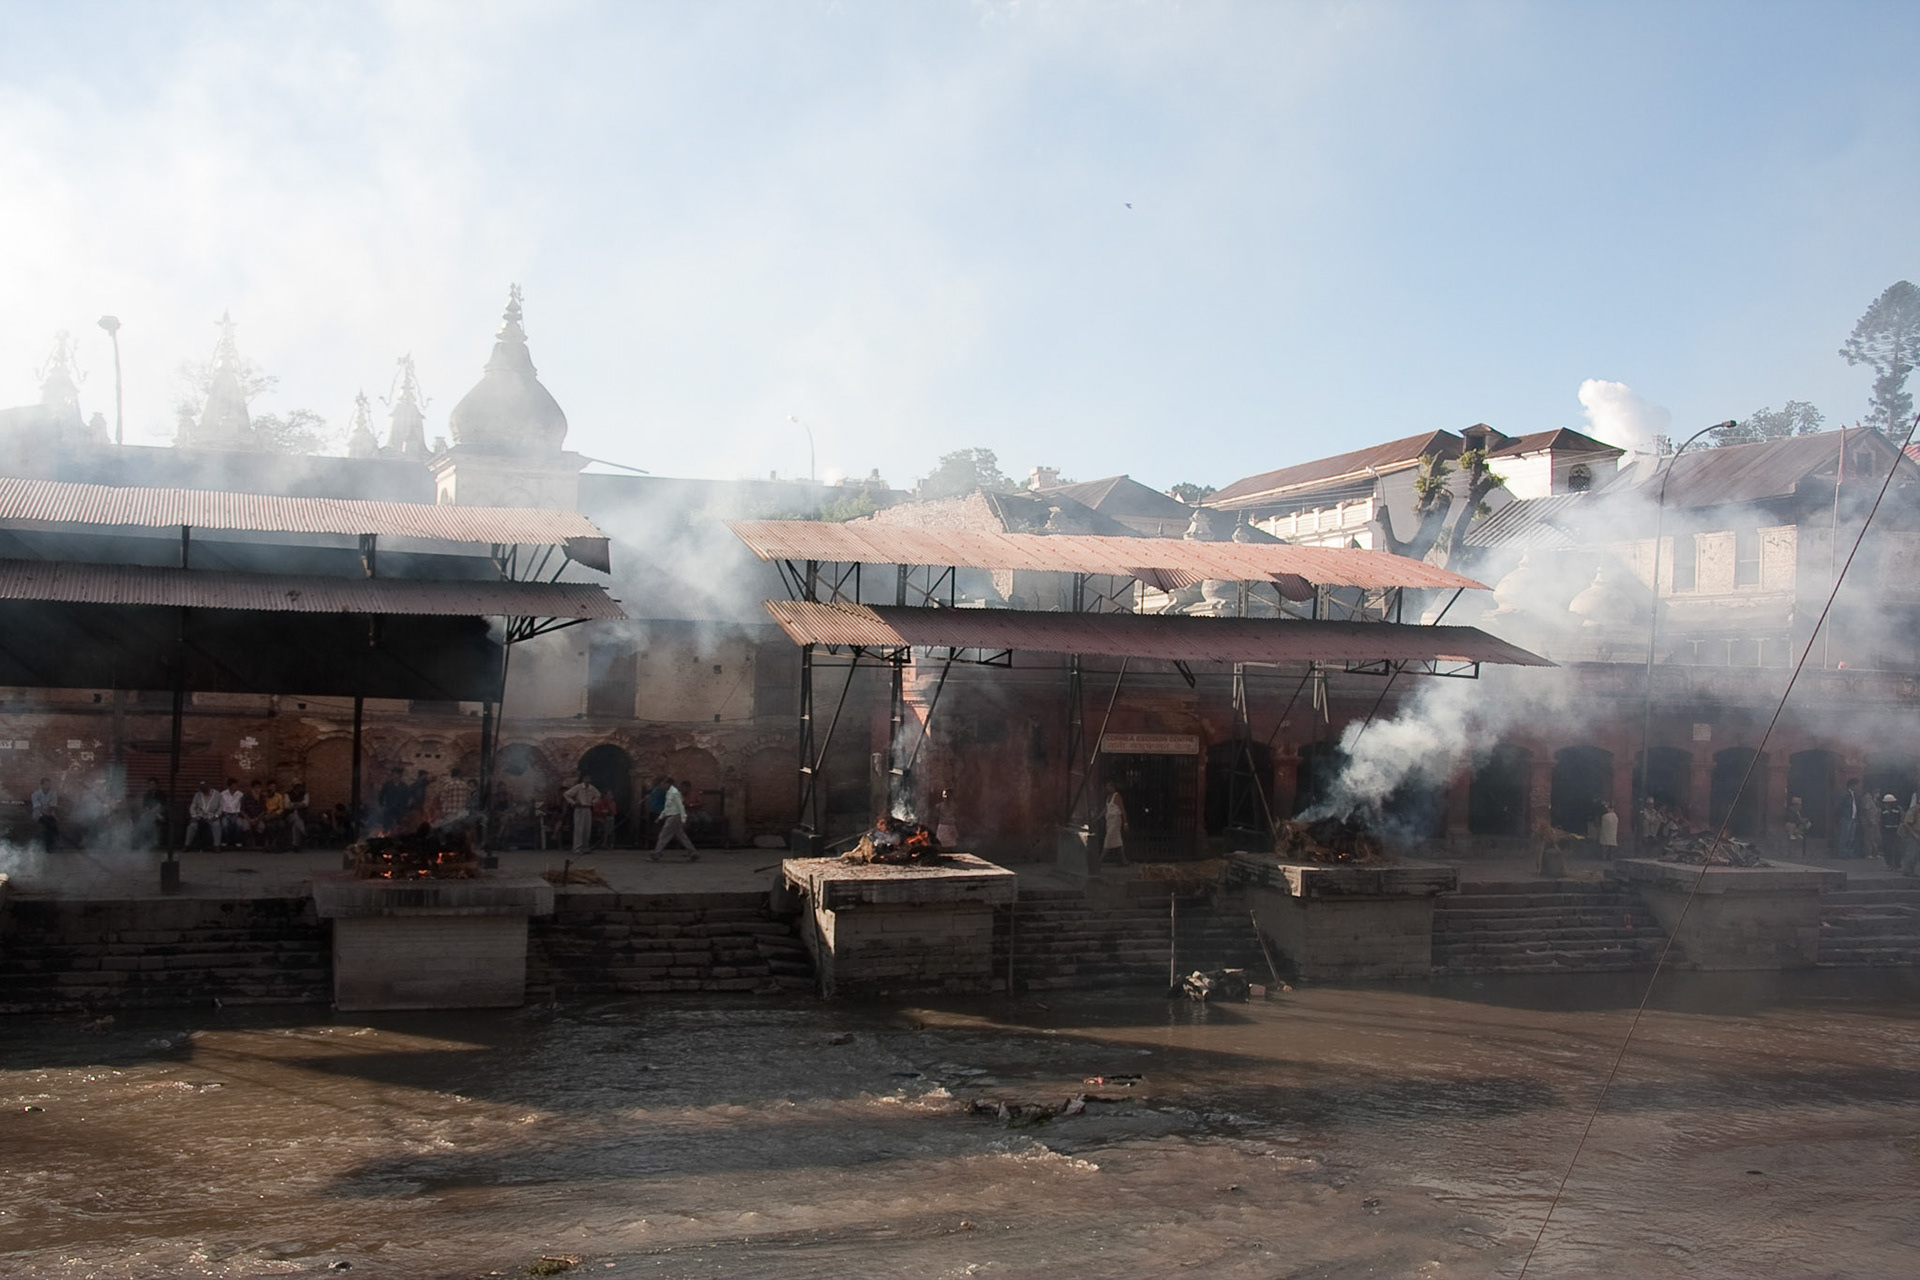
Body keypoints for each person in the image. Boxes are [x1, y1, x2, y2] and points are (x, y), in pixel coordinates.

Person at [651, 778, 698, 859]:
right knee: (681, 836)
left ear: (668, 784)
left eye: (664, 784)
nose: (663, 785)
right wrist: (660, 817)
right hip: (672, 815)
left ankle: (657, 853)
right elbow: (667, 807)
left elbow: (680, 806)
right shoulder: (669, 793)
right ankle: (693, 852)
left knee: (664, 835)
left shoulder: (674, 793)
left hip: (674, 816)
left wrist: (683, 818)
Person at [562, 772, 600, 855]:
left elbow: (598, 795)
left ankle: (585, 847)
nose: (587, 780)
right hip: (579, 808)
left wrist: (593, 802)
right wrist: (573, 802)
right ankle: (577, 848)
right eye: (586, 778)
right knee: (579, 829)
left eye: (589, 778)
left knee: (587, 828)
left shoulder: (591, 788)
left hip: (587, 808)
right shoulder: (578, 787)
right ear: (583, 779)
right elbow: (566, 794)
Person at [185, 782, 222, 849]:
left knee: (216, 825)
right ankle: (187, 845)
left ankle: (217, 845)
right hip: (200, 816)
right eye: (201, 788)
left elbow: (220, 807)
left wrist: (216, 816)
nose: (203, 790)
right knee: (192, 826)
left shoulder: (217, 795)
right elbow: (193, 806)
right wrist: (194, 816)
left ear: (209, 787)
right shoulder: (198, 795)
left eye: (204, 788)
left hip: (212, 816)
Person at [30, 776, 59, 851]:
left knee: (52, 824)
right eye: (46, 784)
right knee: (48, 824)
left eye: (49, 784)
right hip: (39, 815)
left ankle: (51, 843)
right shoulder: (35, 794)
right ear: (41, 785)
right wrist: (44, 812)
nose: (47, 786)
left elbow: (53, 805)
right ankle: (48, 845)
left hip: (50, 814)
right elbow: (37, 806)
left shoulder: (53, 793)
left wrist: (48, 812)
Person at [1102, 785, 1128, 866]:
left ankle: (1100, 860)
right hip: (1109, 821)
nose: (1107, 788)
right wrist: (1097, 817)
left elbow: (1122, 809)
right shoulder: (1108, 798)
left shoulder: (1117, 796)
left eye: (1108, 786)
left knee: (1108, 839)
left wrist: (1125, 822)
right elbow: (1106, 809)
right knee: (1118, 841)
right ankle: (1123, 860)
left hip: (1115, 821)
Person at [219, 777, 246, 849]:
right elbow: (221, 805)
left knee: (239, 824)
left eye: (236, 785)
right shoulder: (223, 794)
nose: (235, 787)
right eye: (234, 785)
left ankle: (238, 841)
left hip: (236, 814)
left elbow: (240, 806)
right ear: (229, 785)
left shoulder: (240, 794)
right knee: (224, 825)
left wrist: (236, 815)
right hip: (226, 813)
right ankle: (225, 841)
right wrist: (225, 814)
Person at [1837, 780, 1861, 858]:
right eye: (1856, 785)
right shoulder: (1845, 794)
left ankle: (1849, 853)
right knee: (1844, 836)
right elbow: (1840, 806)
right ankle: (1842, 853)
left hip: (1853, 818)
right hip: (1846, 818)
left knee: (1851, 837)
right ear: (1851, 785)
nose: (1857, 787)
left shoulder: (1854, 795)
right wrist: (1843, 815)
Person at [263, 781, 289, 850]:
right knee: (270, 826)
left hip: (276, 816)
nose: (272, 788)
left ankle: (278, 844)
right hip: (267, 816)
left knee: (281, 825)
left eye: (274, 787)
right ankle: (270, 844)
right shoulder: (264, 796)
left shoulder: (279, 796)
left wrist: (274, 814)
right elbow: (263, 807)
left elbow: (281, 808)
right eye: (271, 787)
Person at [1881, 794, 1904, 870]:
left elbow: (1902, 819)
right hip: (1886, 831)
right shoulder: (1882, 810)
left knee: (1898, 848)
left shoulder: (1898, 809)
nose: (1889, 804)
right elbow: (1879, 821)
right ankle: (1889, 864)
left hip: (1896, 831)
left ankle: (1897, 864)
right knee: (1887, 848)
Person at [285, 781, 309, 850]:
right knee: (295, 817)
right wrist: (299, 804)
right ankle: (304, 831)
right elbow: (287, 806)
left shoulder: (305, 794)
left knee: (296, 823)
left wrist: (294, 804)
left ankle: (295, 845)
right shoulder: (287, 794)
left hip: (302, 815)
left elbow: (305, 804)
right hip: (290, 815)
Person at [1900, 800, 1920, 876]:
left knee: (1917, 854)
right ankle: (1907, 871)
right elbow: (1907, 823)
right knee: (1911, 853)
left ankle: (1915, 871)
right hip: (1913, 834)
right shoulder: (1914, 810)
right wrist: (1914, 834)